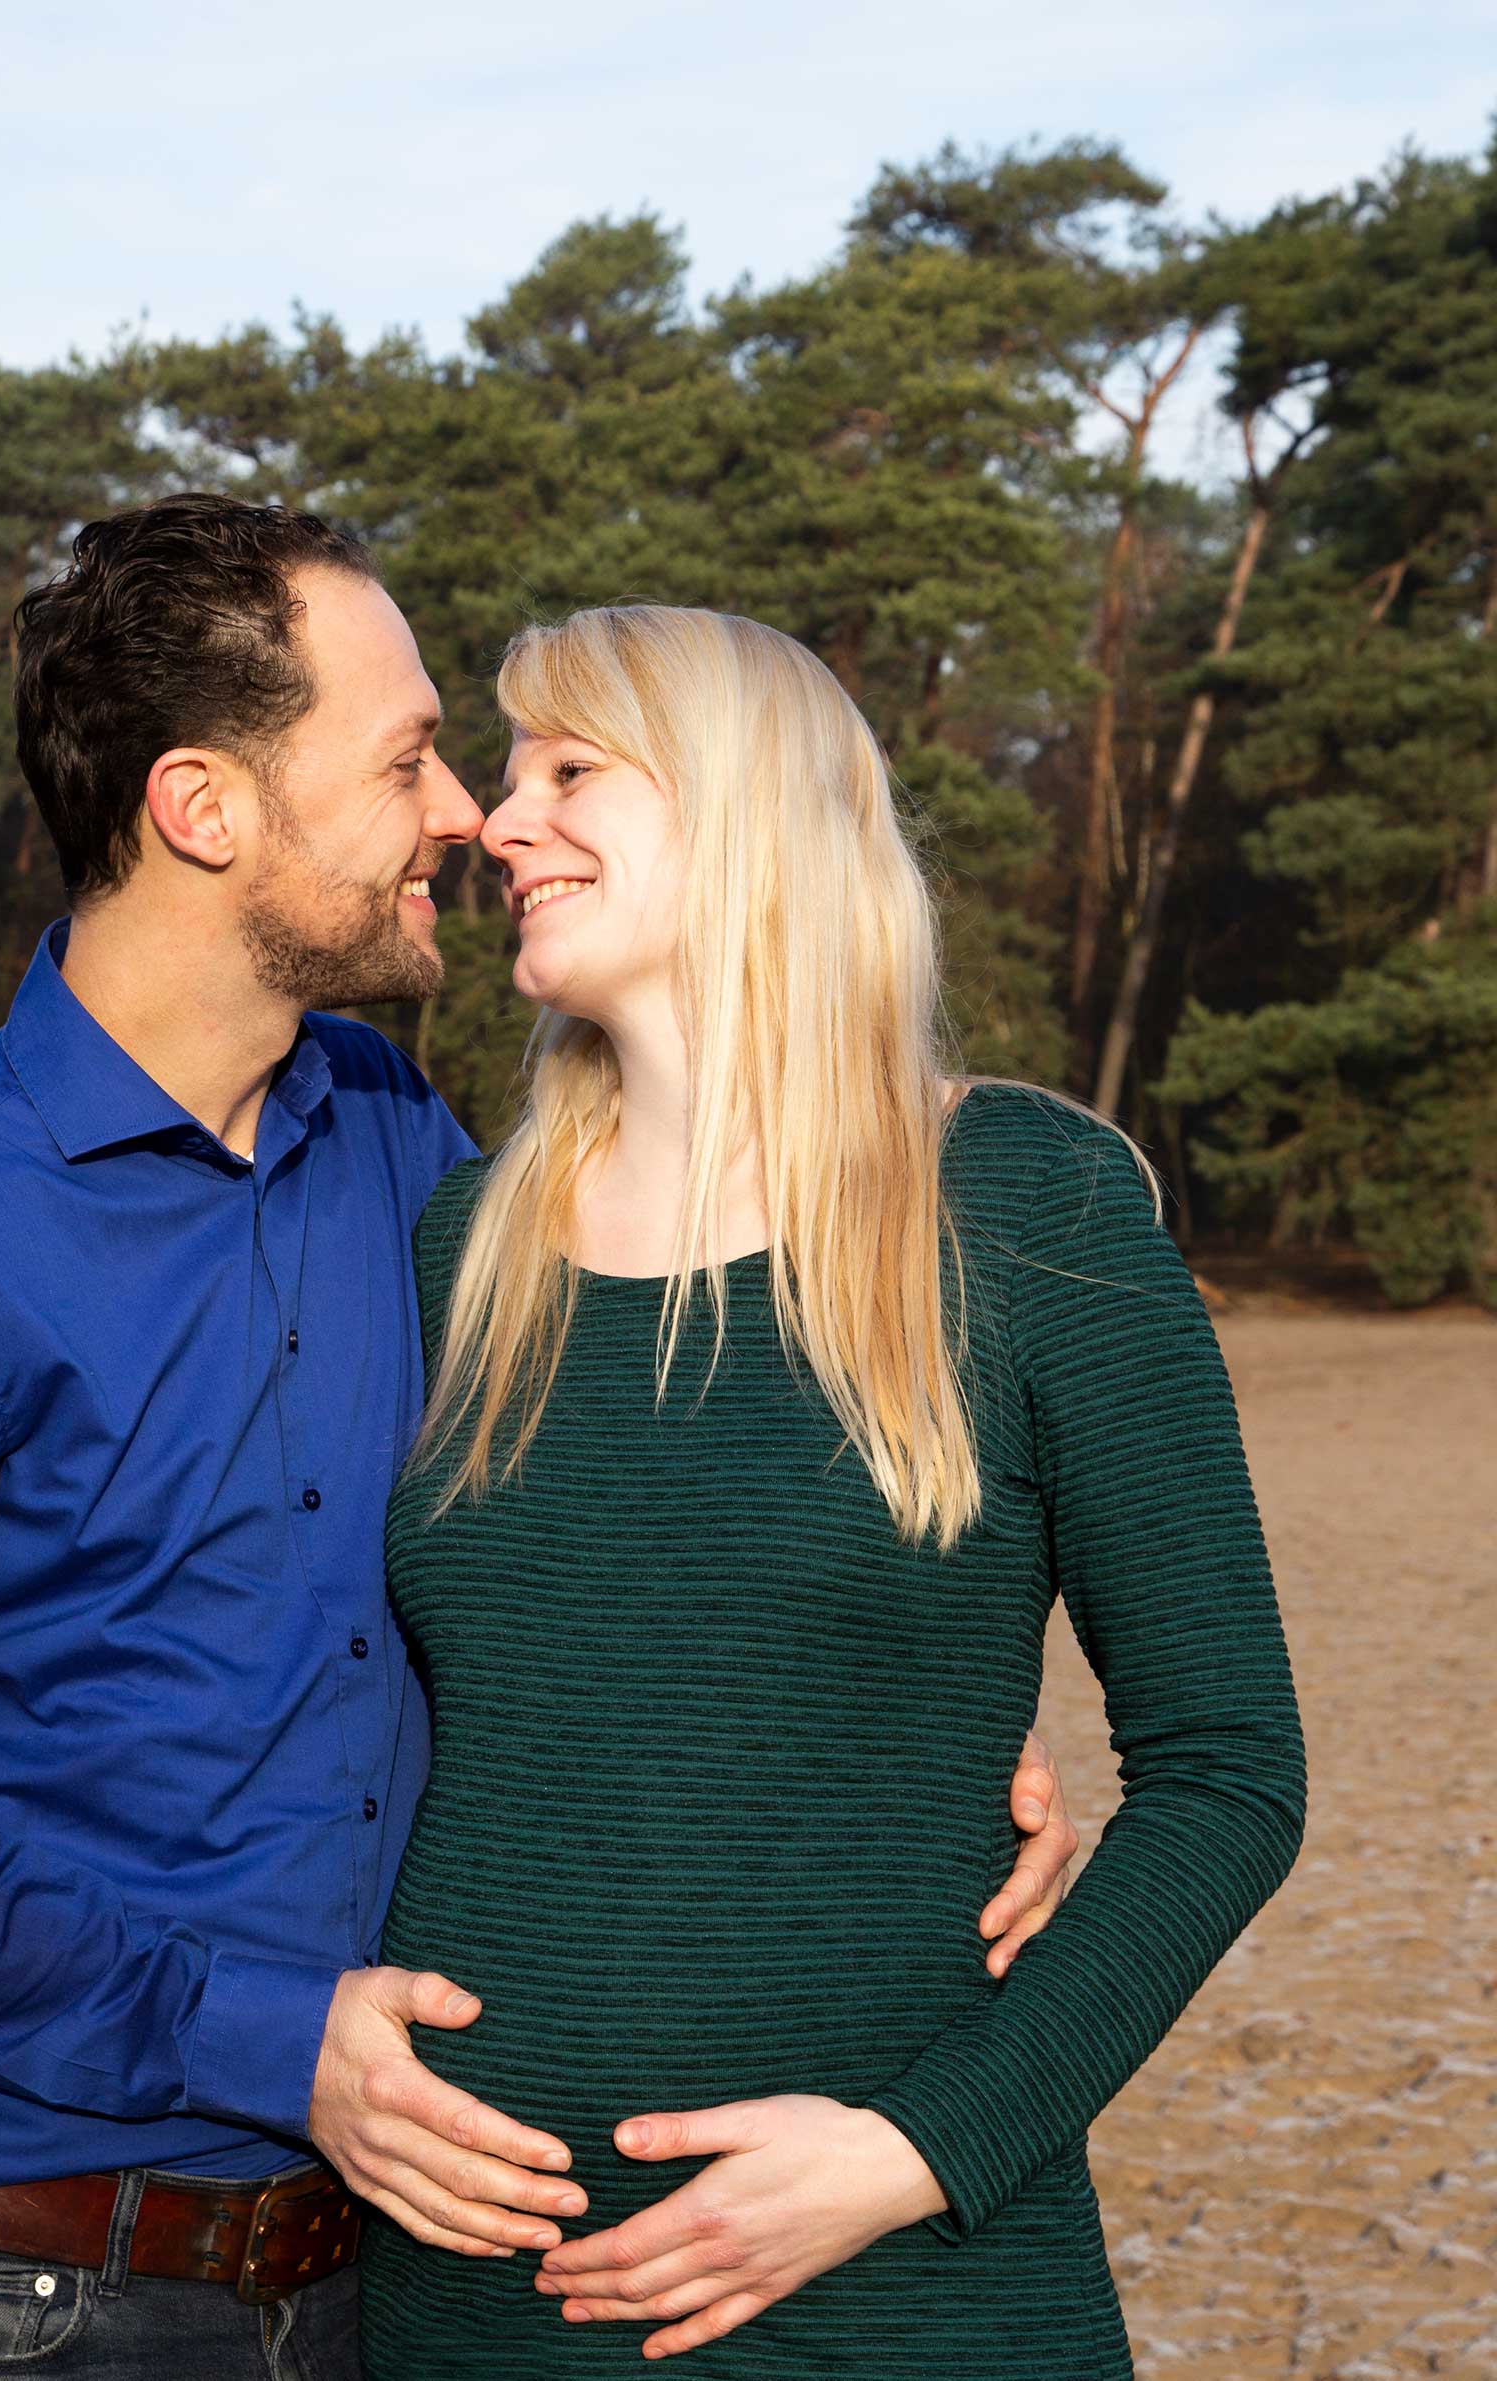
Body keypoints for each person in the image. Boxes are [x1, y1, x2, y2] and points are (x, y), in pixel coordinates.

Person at [0, 500, 1079, 2381]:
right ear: (205, 807)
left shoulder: (397, 1142)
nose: (462, 814)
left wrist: (916, 1730)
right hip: (31, 2304)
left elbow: (636, 1503)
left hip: (389, 2280)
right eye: (409, 754)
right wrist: (268, 2041)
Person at [360, 603, 1307, 2377]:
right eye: (503, 777)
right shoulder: (452, 1248)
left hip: (906, 2300)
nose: (500, 822)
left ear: (744, 804)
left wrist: (912, 2154)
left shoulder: (1028, 1206)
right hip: (468, 2306)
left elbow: (1230, 1770)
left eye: (570, 768)